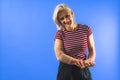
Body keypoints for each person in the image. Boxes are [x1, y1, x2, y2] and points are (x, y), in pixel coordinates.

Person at [53, 3, 96, 80]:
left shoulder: (86, 29)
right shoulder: (60, 34)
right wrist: (77, 62)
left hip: (83, 69)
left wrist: (89, 60)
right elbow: (59, 55)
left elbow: (92, 49)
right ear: (59, 21)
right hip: (66, 71)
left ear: (72, 14)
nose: (66, 20)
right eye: (62, 19)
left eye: (67, 16)